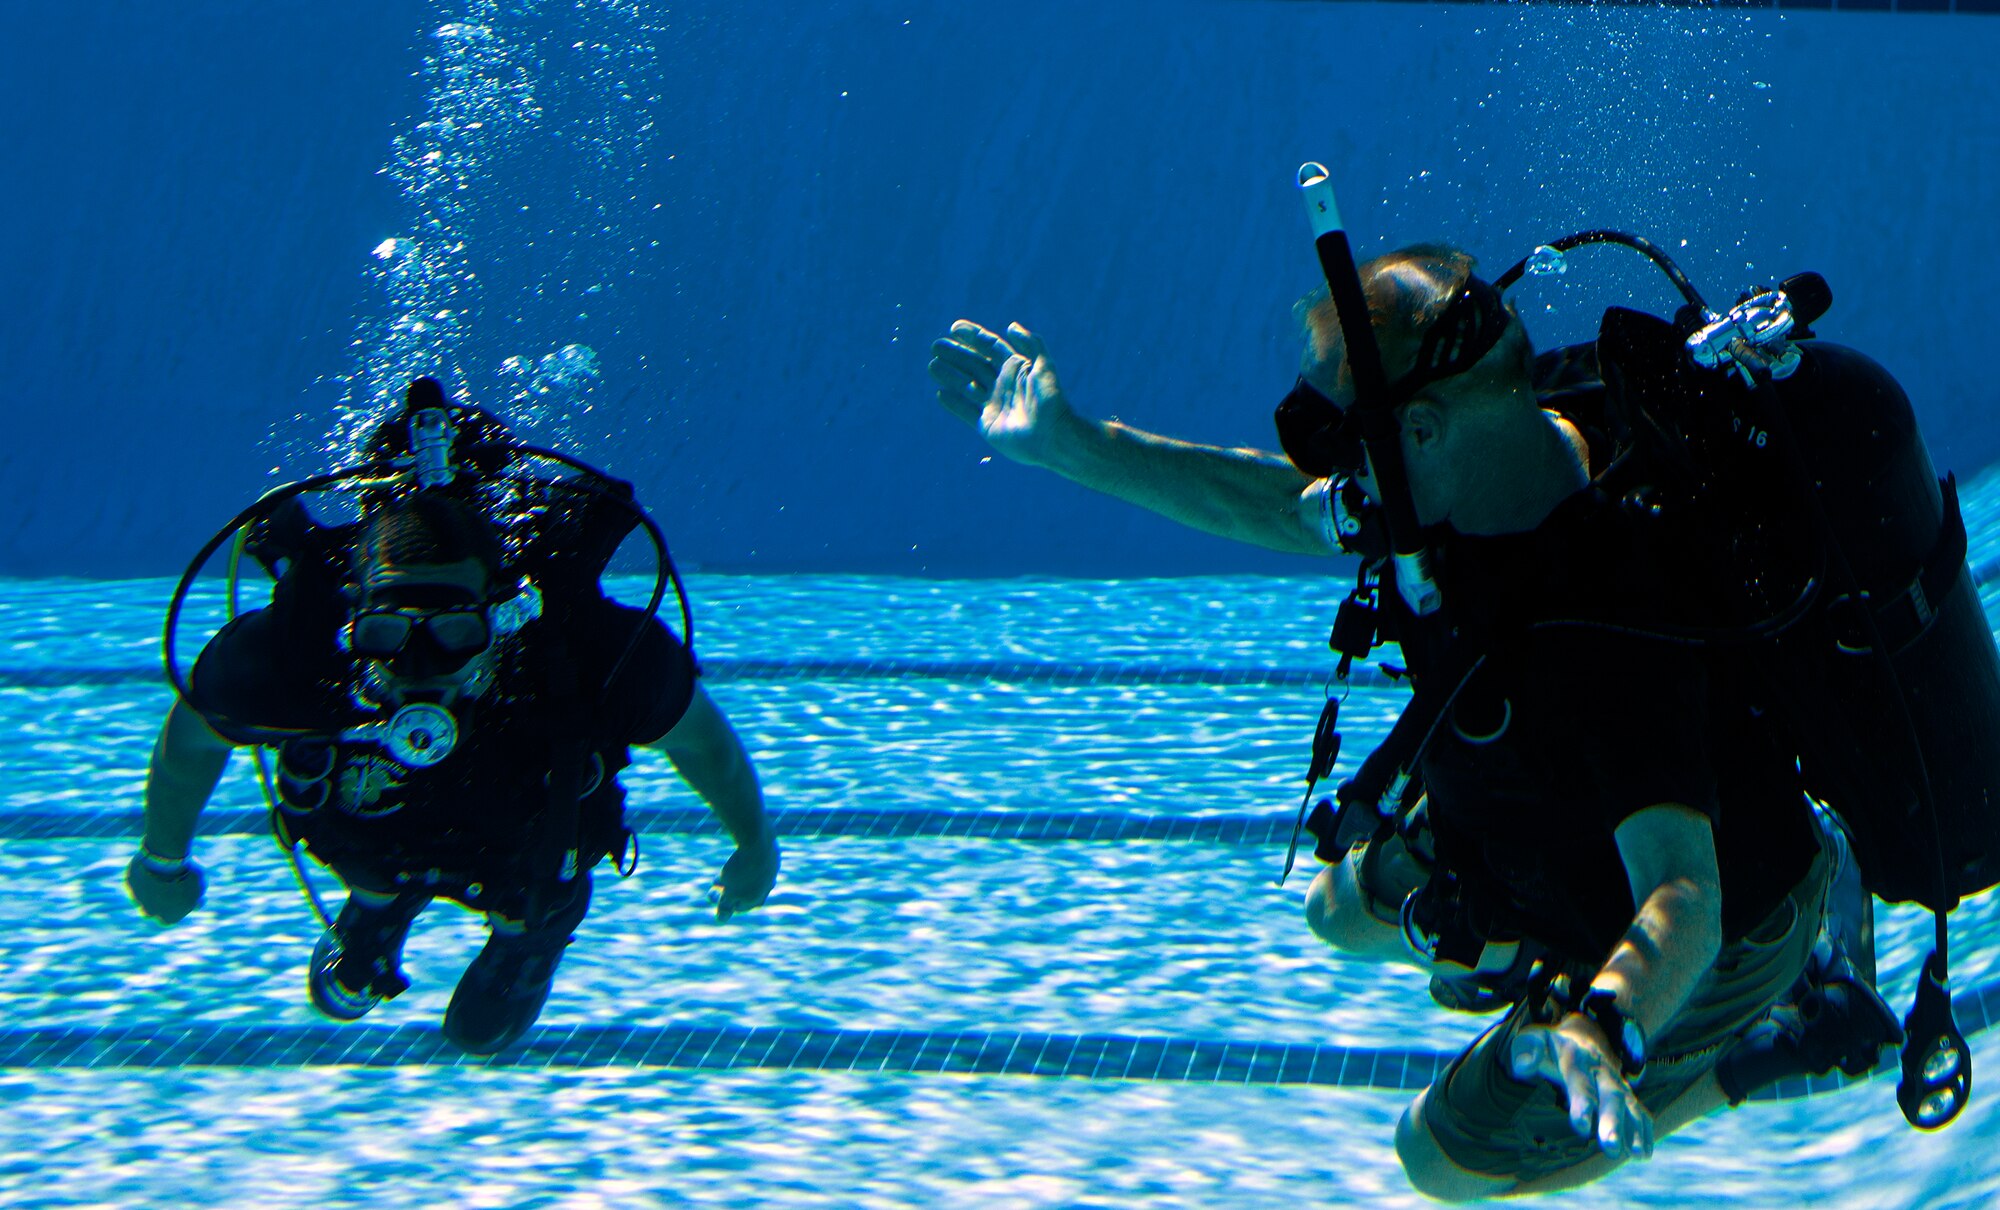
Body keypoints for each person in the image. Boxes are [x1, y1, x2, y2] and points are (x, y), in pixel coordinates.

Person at [929, 246, 1900, 1198]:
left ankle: (1788, 1029)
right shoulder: (1498, 444)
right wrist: (1070, 443)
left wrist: (1599, 1028)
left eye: (1352, 443)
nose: (1340, 478)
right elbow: (1277, 505)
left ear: (1423, 432)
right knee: (1339, 908)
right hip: (1551, 811)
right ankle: (1535, 949)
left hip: (1732, 912)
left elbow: (1683, 891)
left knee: (1436, 1160)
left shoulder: (1608, 616)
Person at [126, 386, 779, 1056]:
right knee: (357, 825)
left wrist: (755, 844)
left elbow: (702, 742)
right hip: (374, 834)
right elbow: (192, 740)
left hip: (523, 845)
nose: (418, 664)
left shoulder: (592, 650)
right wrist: (163, 859)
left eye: (453, 631)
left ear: (503, 615)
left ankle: (524, 937)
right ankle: (378, 904)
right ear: (353, 618)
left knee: (488, 1009)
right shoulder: (289, 653)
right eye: (386, 632)